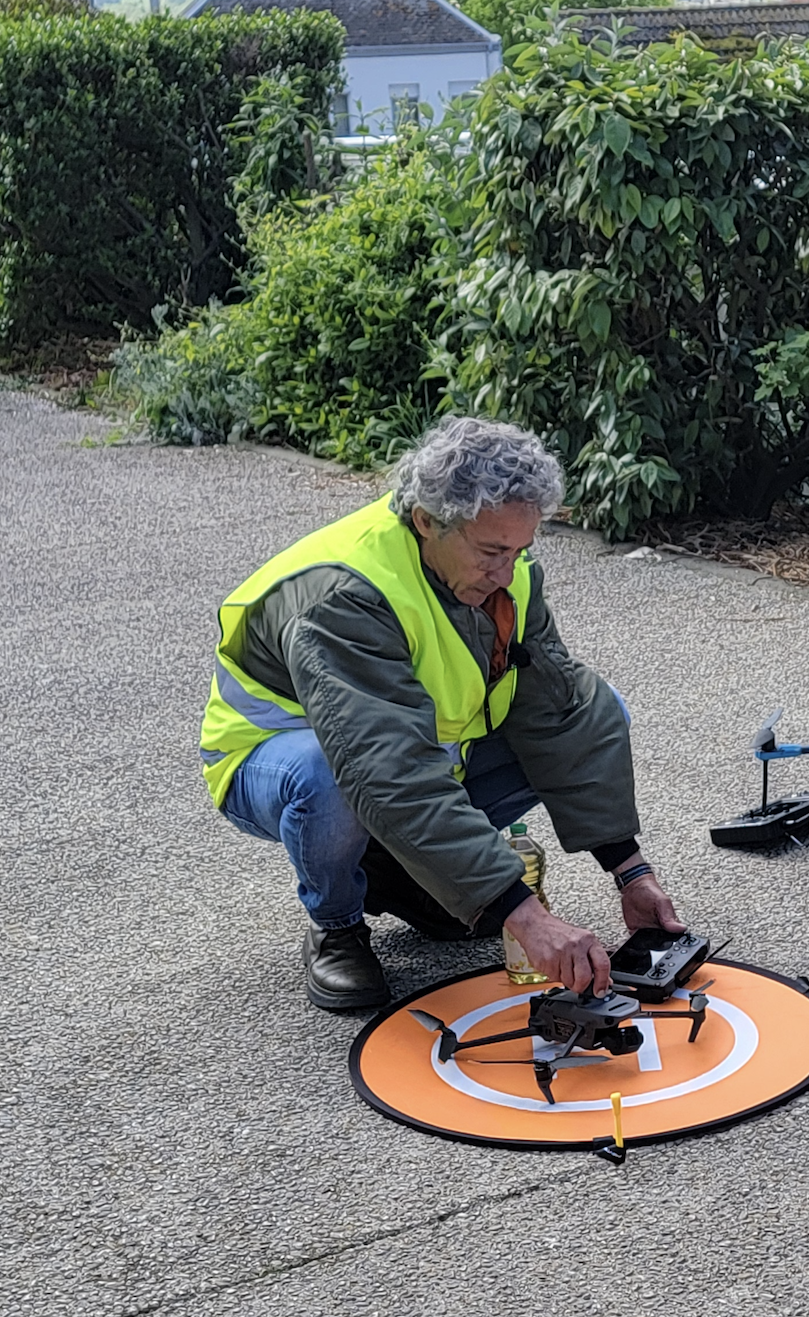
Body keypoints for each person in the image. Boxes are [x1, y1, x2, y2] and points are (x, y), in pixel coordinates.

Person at [199, 417, 684, 1009]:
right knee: (328, 779)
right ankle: (337, 927)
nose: (508, 573)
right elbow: (387, 770)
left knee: (605, 709)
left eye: (520, 549)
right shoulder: (345, 595)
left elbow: (560, 716)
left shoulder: (503, 573)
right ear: (428, 520)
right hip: (274, 759)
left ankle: (398, 869)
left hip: (414, 753)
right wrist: (521, 913)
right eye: (491, 552)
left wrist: (630, 872)